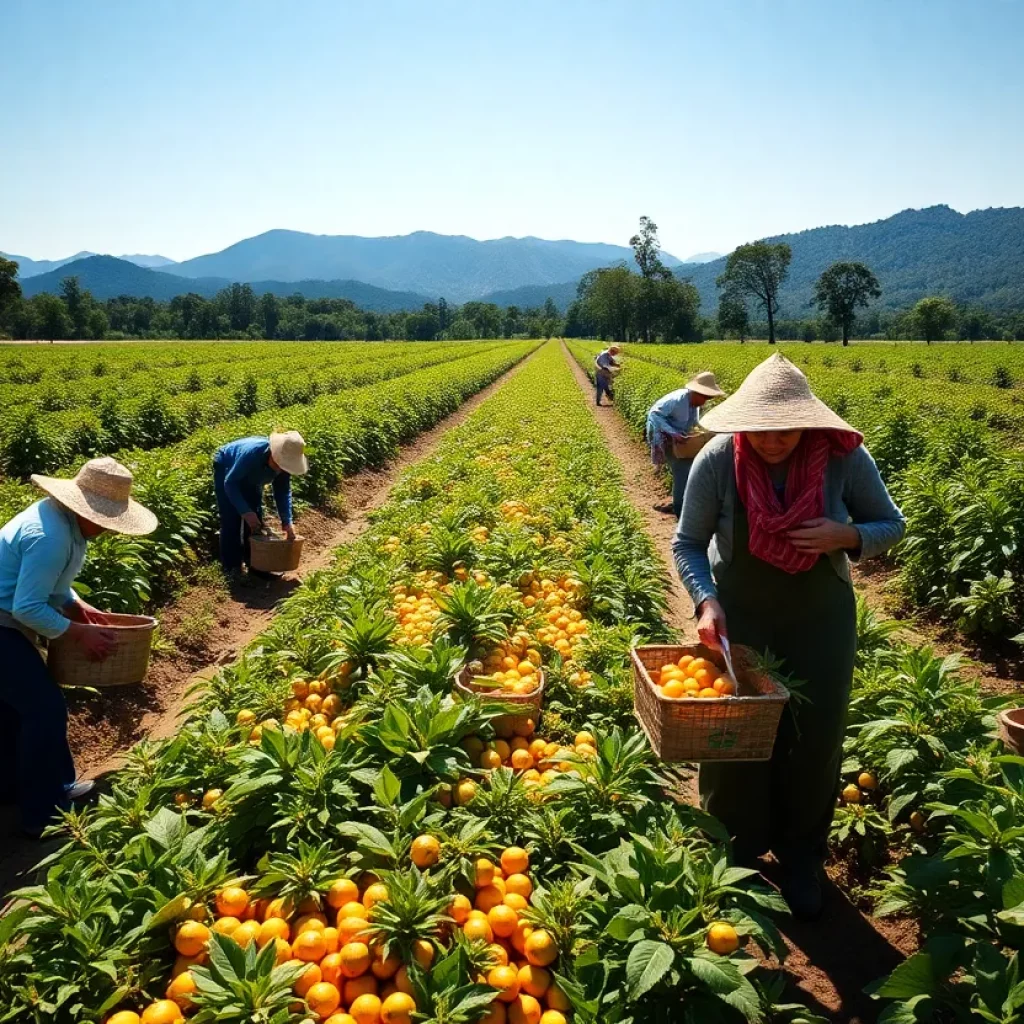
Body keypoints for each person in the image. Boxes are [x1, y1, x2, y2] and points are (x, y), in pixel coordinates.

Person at [671, 353, 905, 919]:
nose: (772, 440)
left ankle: (802, 855)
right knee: (734, 740)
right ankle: (736, 852)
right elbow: (687, 542)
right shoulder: (719, 460)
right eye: (760, 429)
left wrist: (845, 535)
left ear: (810, 421)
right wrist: (706, 601)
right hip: (743, 617)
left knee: (814, 739)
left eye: (786, 429)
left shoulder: (843, 460)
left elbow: (891, 525)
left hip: (818, 620)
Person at [0, 457, 158, 837]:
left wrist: (75, 604)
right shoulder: (50, 536)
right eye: (105, 520)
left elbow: (48, 583)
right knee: (44, 709)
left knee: (12, 712)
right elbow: (28, 606)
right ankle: (44, 811)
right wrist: (77, 632)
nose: (108, 529)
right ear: (82, 509)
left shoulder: (60, 521)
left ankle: (14, 791)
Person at [213, 431, 308, 576]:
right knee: (231, 516)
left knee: (256, 514)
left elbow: (282, 492)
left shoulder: (284, 466)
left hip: (251, 476)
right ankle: (231, 566)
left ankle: (256, 564)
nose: (280, 469)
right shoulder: (252, 454)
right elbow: (230, 483)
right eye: (278, 464)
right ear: (272, 454)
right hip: (227, 464)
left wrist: (287, 521)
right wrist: (245, 512)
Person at [645, 371, 726, 517]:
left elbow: (693, 422)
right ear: (696, 392)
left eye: (709, 397)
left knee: (685, 468)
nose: (706, 401)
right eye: (705, 397)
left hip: (678, 436)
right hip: (662, 434)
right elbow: (654, 415)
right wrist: (673, 433)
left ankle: (679, 500)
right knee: (682, 469)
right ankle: (680, 510)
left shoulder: (694, 403)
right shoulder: (677, 400)